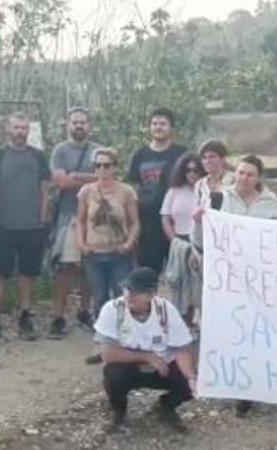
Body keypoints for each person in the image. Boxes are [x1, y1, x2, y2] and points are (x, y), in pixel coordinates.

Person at [199, 154, 277, 416]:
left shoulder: (271, 202)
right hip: (233, 278)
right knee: (241, 334)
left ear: (258, 177)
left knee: (270, 334)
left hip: (264, 278)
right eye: (240, 172)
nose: (244, 178)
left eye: (250, 174)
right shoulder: (222, 197)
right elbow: (210, 231)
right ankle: (245, 392)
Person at [94, 267, 198, 433]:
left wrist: (191, 377)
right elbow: (107, 352)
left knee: (190, 382)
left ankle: (166, 406)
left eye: (136, 292)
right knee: (113, 375)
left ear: (151, 295)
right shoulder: (113, 309)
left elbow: (181, 348)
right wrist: (147, 357)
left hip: (163, 367)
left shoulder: (166, 310)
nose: (130, 295)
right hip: (129, 367)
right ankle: (118, 411)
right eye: (127, 289)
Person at [0, 112, 51, 342]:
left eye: (24, 128)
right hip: (4, 225)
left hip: (31, 225)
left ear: (28, 130)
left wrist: (42, 220)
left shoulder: (38, 156)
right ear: (8, 129)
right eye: (16, 127)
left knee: (27, 273)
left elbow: (44, 190)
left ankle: (25, 316)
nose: (20, 132)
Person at [77, 147, 140, 363]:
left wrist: (129, 243)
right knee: (100, 299)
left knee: (122, 298)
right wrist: (81, 243)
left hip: (118, 253)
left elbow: (134, 222)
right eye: (98, 165)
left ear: (115, 167)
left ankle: (126, 343)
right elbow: (81, 220)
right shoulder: (86, 191)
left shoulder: (126, 192)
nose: (102, 169)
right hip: (94, 254)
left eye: (106, 165)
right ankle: (101, 344)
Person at [46, 107, 100, 339]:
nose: (79, 126)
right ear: (68, 124)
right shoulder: (60, 151)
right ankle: (58, 316)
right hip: (69, 216)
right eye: (75, 122)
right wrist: (90, 179)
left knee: (90, 266)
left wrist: (76, 176)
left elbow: (106, 179)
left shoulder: (98, 150)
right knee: (65, 267)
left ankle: (84, 311)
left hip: (95, 217)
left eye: (83, 122)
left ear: (90, 125)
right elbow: (61, 182)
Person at [127, 108, 187, 273]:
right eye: (154, 123)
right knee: (147, 273)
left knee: (179, 273)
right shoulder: (140, 155)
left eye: (163, 124)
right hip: (147, 222)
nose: (158, 127)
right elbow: (133, 188)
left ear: (171, 128)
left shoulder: (182, 154)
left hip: (175, 220)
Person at [161, 153, 206, 327]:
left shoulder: (207, 191)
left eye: (196, 170)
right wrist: (174, 241)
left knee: (199, 288)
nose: (192, 174)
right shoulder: (174, 191)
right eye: (188, 170)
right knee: (180, 287)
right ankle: (182, 327)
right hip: (179, 241)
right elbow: (165, 218)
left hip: (202, 244)